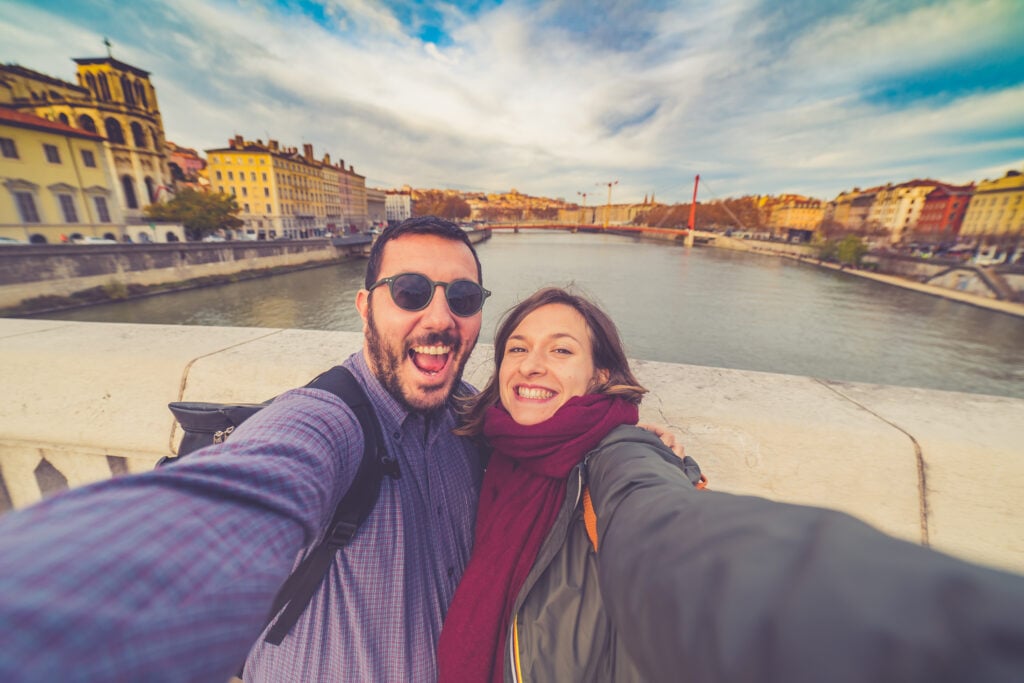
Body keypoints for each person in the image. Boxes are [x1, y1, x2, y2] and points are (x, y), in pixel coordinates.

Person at [436, 287, 1024, 683]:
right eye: (518, 348)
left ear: (602, 375)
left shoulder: (620, 457)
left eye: (560, 350)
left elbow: (673, 536)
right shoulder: (494, 446)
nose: (531, 365)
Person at [0, 215, 490, 682]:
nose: (441, 319)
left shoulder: (467, 414)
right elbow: (232, 499)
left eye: (464, 298)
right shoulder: (325, 421)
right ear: (365, 307)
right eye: (411, 292)